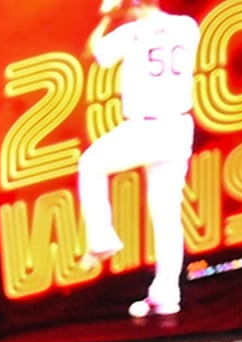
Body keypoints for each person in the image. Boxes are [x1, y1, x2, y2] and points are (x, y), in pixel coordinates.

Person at [77, 0, 203, 319]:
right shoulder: (187, 26)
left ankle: (102, 238)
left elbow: (95, 54)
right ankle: (166, 295)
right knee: (165, 215)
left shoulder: (132, 32)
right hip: (178, 127)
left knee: (90, 164)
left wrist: (107, 15)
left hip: (147, 127)